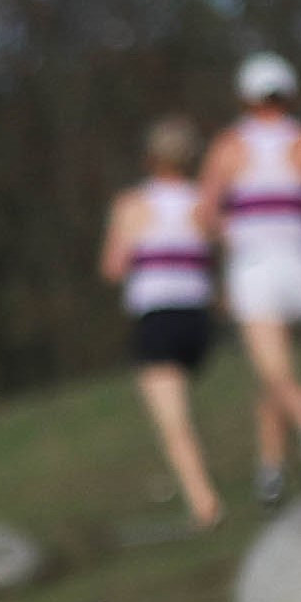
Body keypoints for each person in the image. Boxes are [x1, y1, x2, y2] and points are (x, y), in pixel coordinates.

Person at [197, 55, 301, 508]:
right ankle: (270, 474)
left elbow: (206, 211)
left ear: (245, 96)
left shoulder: (230, 146)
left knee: (272, 371)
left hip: (256, 268)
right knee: (275, 375)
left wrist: (223, 239)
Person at [99, 118, 225, 528]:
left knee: (173, 423)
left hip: (156, 317)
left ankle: (204, 503)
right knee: (188, 407)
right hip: (197, 316)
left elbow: (113, 267)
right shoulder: (202, 202)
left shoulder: (131, 205)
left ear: (150, 158)